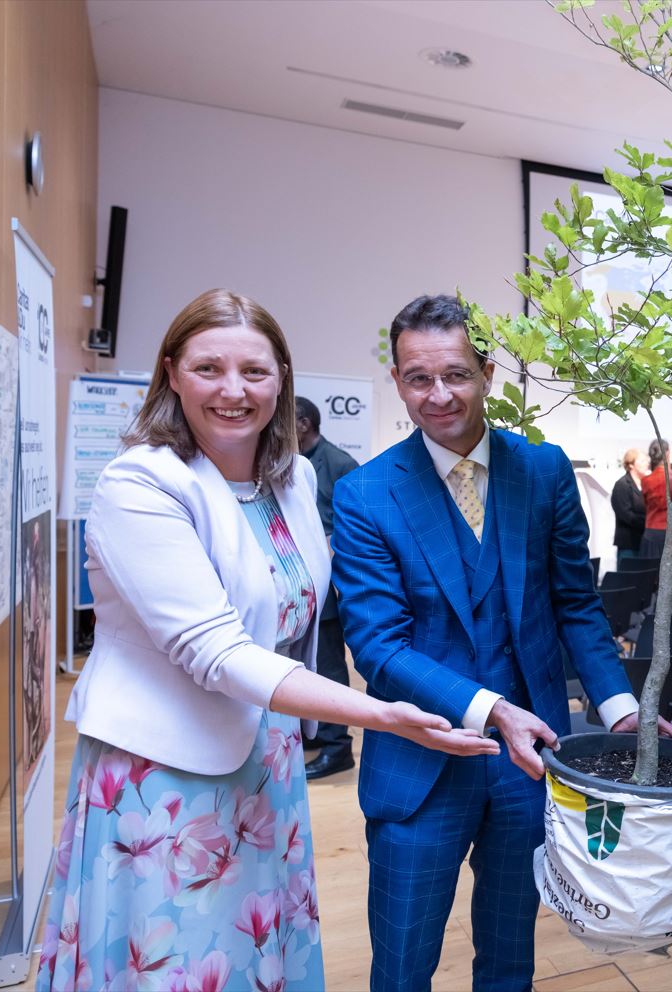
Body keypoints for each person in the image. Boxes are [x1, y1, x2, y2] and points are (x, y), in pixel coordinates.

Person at [38, 290, 496, 992]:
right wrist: (380, 714)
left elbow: (300, 615)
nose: (233, 390)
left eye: (254, 371)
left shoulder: (291, 479)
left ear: (281, 378)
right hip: (166, 776)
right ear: (171, 373)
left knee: (253, 954)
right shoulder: (141, 483)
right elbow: (217, 650)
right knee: (178, 961)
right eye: (208, 369)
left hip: (266, 759)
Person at [329, 295, 654, 991]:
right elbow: (377, 648)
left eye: (455, 374)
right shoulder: (365, 495)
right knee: (402, 966)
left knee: (510, 961)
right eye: (418, 378)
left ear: (486, 370)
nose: (438, 395)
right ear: (396, 381)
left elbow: (574, 606)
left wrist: (620, 709)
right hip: (420, 764)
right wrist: (489, 708)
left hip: (529, 764)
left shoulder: (541, 472)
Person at [294, 394, 364, 780]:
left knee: (330, 668)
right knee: (306, 665)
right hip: (301, 583)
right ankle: (318, 734)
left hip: (330, 587)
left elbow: (359, 529)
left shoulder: (338, 463)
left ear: (304, 423)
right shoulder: (292, 463)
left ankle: (339, 749)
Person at [611, 447, 648, 562]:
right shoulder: (622, 485)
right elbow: (626, 515)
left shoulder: (646, 484)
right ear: (631, 465)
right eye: (642, 461)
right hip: (629, 545)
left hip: (643, 542)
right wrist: (648, 522)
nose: (647, 463)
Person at [640, 437, 672, 558]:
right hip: (671, 533)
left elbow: (646, 504)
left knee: (650, 574)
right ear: (668, 453)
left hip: (651, 533)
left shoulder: (646, 481)